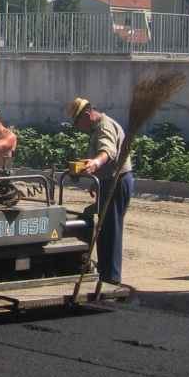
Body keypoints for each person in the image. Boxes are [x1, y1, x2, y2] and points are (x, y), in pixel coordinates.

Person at [65, 97, 134, 285]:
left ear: (87, 116)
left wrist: (95, 163)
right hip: (108, 179)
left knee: (110, 229)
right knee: (100, 225)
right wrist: (97, 180)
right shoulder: (98, 126)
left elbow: (108, 150)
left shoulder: (105, 126)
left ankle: (110, 278)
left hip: (117, 181)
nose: (79, 127)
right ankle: (104, 273)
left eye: (78, 122)